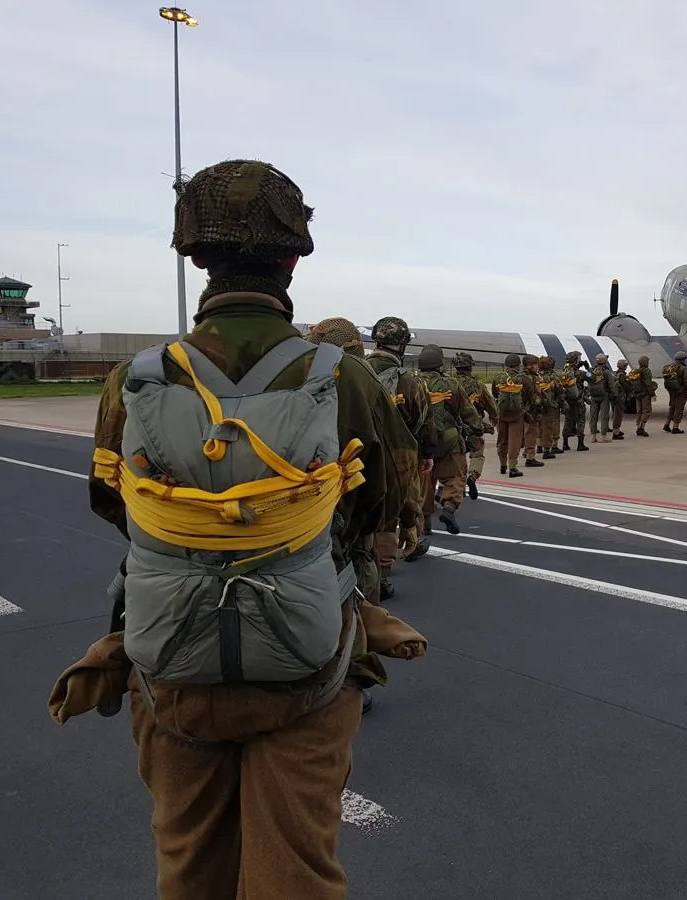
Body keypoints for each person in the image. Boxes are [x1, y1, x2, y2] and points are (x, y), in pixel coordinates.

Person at [61, 158, 423, 899]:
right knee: (297, 872)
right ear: (292, 258)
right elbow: (388, 513)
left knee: (188, 862)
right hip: (308, 668)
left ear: (196, 257)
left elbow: (111, 503)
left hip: (172, 667)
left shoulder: (135, 377)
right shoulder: (344, 376)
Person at [307, 316, 420, 607]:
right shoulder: (362, 377)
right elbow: (399, 462)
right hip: (350, 520)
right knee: (357, 610)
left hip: (294, 522)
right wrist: (407, 518)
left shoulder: (291, 376)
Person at [367, 316, 435, 571]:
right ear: (403, 345)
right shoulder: (410, 381)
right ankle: (385, 571)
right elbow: (423, 421)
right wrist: (427, 453)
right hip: (399, 458)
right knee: (395, 508)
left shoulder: (357, 371)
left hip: (360, 453)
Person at [416, 344, 482, 534]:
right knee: (456, 475)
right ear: (440, 364)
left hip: (420, 441)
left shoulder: (411, 383)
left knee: (424, 482)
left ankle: (425, 523)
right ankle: (449, 507)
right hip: (449, 438)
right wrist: (478, 430)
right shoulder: (451, 384)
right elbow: (468, 412)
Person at [452, 351, 497, 500]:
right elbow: (490, 403)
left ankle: (455, 487)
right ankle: (472, 475)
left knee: (456, 457)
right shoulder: (477, 385)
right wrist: (494, 417)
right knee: (477, 454)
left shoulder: (449, 383)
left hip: (453, 425)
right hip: (474, 424)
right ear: (470, 367)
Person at [491, 353, 529, 477]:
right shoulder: (524, 378)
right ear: (518, 365)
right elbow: (529, 395)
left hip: (501, 413)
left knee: (502, 440)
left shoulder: (498, 377)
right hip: (517, 414)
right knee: (515, 441)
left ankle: (502, 465)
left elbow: (495, 394)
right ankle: (513, 467)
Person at [560, 350, 589, 451]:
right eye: (579, 358)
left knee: (568, 420)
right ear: (576, 360)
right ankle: (580, 444)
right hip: (578, 400)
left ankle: (565, 443)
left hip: (568, 400)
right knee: (580, 420)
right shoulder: (580, 373)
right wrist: (587, 368)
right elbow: (592, 378)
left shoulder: (564, 372)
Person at [587, 352, 617, 442]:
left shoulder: (591, 371)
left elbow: (587, 378)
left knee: (593, 417)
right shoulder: (607, 372)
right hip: (604, 396)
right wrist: (615, 395)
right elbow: (611, 385)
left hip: (593, 396)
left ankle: (593, 436)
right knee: (604, 416)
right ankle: (603, 436)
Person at [537, 355, 564, 455]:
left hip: (538, 404)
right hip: (552, 404)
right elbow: (559, 390)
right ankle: (553, 446)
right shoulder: (553, 376)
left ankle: (539, 446)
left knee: (539, 425)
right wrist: (562, 401)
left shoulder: (536, 375)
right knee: (552, 425)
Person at [661, 350, 687, 434]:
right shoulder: (683, 368)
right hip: (681, 392)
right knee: (679, 409)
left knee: (672, 407)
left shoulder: (670, 367)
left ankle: (666, 425)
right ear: (683, 359)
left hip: (672, 391)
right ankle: (675, 427)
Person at [629, 355, 656, 436]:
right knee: (647, 411)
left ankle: (638, 427)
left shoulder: (636, 371)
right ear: (646, 363)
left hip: (637, 394)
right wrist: (652, 394)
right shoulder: (646, 371)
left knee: (639, 411)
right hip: (645, 394)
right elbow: (648, 383)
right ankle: (641, 428)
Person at [612, 358, 631, 440]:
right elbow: (627, 387)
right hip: (620, 397)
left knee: (616, 414)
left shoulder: (615, 374)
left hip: (615, 397)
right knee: (618, 415)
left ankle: (617, 430)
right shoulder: (622, 376)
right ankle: (616, 433)